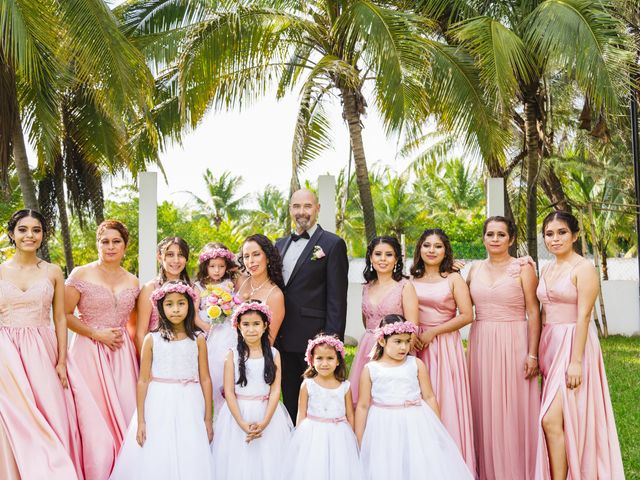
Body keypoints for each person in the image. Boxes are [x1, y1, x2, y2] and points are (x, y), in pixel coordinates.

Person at [535, 211, 624, 479]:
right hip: (550, 344)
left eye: (561, 232)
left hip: (575, 343)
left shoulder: (584, 268)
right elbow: (542, 312)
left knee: (551, 418)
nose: (555, 239)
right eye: (549, 234)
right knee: (561, 419)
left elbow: (584, 315)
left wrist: (576, 361)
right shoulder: (547, 268)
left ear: (574, 236)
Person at [0, 209, 82, 478]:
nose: (30, 235)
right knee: (13, 418)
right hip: (5, 351)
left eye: (36, 230)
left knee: (50, 412)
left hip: (41, 349)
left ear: (43, 235)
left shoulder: (53, 271)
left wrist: (60, 360)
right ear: (12, 233)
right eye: (23, 229)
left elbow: (59, 317)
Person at [109, 281, 213, 480]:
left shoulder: (198, 339)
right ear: (161, 308)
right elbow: (143, 380)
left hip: (189, 401)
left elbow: (206, 379)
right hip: (159, 400)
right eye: (169, 304)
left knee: (188, 446)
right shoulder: (152, 339)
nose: (175, 309)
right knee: (158, 446)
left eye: (181, 303)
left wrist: (208, 419)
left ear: (190, 306)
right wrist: (141, 421)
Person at [355, 315, 473, 480]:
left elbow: (430, 397)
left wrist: (437, 429)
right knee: (388, 464)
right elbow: (362, 406)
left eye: (407, 341)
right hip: (383, 424)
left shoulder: (415, 364)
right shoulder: (371, 369)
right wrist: (360, 439)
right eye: (397, 342)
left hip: (415, 422)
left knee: (417, 462)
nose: (404, 347)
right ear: (382, 341)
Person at [467, 216, 540, 480]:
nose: (495, 240)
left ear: (511, 239)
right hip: (482, 340)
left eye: (501, 235)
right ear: (483, 238)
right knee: (484, 406)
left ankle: (519, 471)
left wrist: (533, 353)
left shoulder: (523, 268)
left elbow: (534, 310)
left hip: (515, 339)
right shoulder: (474, 269)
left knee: (515, 406)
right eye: (490, 234)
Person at [65, 220, 140, 473]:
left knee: (128, 412)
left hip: (122, 356)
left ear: (125, 246)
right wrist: (96, 333)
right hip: (88, 351)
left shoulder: (133, 281)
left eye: (116, 241)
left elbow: (133, 325)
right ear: (97, 244)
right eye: (104, 241)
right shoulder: (80, 274)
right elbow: (64, 315)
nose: (110, 246)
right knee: (93, 420)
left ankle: (125, 471)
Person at [275, 188, 349, 422]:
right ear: (290, 210)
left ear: (317, 209)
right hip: (281, 338)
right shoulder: (279, 245)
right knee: (289, 400)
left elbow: (337, 298)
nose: (301, 212)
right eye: (296, 207)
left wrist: (330, 343)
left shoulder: (332, 244)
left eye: (307, 206)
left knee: (317, 405)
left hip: (314, 340)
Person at [410, 228, 476, 472]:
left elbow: (468, 315)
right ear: (419, 250)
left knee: (444, 400)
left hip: (445, 346)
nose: (431, 250)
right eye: (427, 245)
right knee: (420, 404)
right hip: (418, 347)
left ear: (445, 250)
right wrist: (414, 335)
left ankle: (452, 467)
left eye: (437, 246)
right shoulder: (411, 281)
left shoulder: (453, 279)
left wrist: (433, 333)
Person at [211, 301, 292, 480]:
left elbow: (275, 390)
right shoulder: (232, 355)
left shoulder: (274, 354)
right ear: (238, 327)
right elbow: (230, 392)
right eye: (246, 324)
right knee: (238, 462)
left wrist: (264, 422)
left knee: (268, 461)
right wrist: (241, 422)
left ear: (265, 326)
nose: (251, 329)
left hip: (267, 413)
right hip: (237, 415)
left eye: (256, 324)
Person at [349, 236, 418, 404]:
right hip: (368, 347)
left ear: (396, 259)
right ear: (371, 258)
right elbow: (366, 322)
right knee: (365, 399)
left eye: (389, 254)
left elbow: (413, 328)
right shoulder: (367, 287)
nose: (383, 259)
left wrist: (398, 355)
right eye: (378, 254)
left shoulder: (405, 286)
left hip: (394, 350)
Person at [285, 334, 362, 479]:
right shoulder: (308, 384)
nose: (324, 363)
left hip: (339, 433)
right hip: (313, 432)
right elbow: (301, 413)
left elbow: (350, 414)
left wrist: (352, 438)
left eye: (330, 358)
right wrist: (300, 438)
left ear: (338, 361)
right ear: (311, 360)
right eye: (319, 358)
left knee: (338, 466)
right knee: (314, 466)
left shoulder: (345, 386)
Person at [193, 242, 240, 415]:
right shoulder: (198, 286)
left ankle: (226, 411)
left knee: (227, 369)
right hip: (209, 333)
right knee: (211, 371)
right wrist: (205, 327)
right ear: (205, 266)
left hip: (227, 331)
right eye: (212, 266)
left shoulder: (230, 283)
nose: (217, 270)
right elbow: (193, 314)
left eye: (221, 266)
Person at [136, 237, 191, 352]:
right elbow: (140, 334)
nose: (176, 260)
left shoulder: (193, 289)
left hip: (187, 351)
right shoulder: (150, 288)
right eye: (170, 255)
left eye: (181, 255)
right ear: (160, 257)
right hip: (158, 352)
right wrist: (149, 364)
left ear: (186, 259)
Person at [236, 234, 285, 344]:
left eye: (256, 254)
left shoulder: (275, 295)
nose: (250, 261)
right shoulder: (240, 282)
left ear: (267, 258)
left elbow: (268, 342)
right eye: (246, 256)